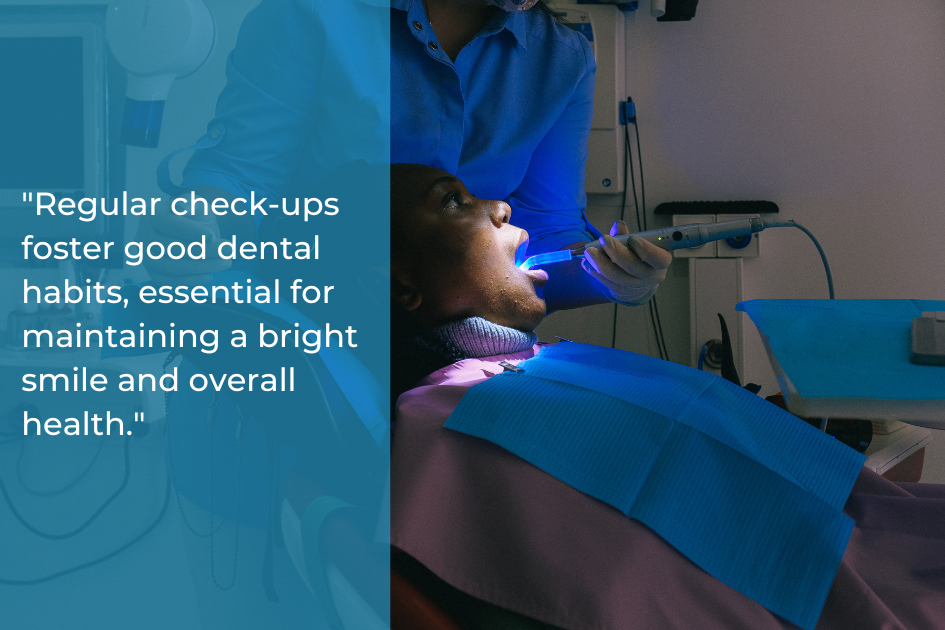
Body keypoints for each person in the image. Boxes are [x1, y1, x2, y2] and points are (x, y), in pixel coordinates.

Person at [388, 163, 945, 630]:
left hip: (870, 542)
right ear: (400, 288)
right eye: (453, 201)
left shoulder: (534, 365)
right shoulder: (446, 417)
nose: (502, 206)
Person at [140, 0, 672, 311]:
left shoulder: (561, 59)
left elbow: (551, 237)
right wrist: (196, 228)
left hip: (460, 359)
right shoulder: (315, 16)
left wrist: (613, 276)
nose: (498, 212)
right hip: (314, 337)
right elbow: (237, 179)